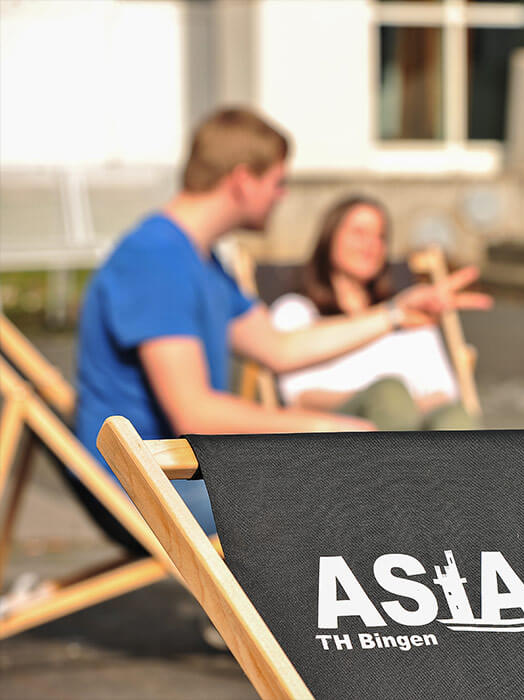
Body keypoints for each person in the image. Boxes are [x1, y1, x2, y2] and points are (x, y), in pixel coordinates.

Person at [75, 108, 490, 536]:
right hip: (142, 488)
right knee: (360, 497)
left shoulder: (201, 260)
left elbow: (279, 348)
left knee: (383, 491)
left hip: (179, 474)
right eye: (278, 182)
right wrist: (322, 429)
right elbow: (193, 412)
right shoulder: (156, 258)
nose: (282, 195)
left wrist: (395, 314)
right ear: (242, 180)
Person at [269, 195, 477, 430]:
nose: (371, 245)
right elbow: (297, 397)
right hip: (334, 428)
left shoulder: (408, 312)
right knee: (389, 394)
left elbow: (444, 392)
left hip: (410, 423)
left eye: (380, 237)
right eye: (359, 233)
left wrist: (403, 408)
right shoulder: (296, 312)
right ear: (330, 238)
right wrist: (376, 401)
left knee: (453, 418)